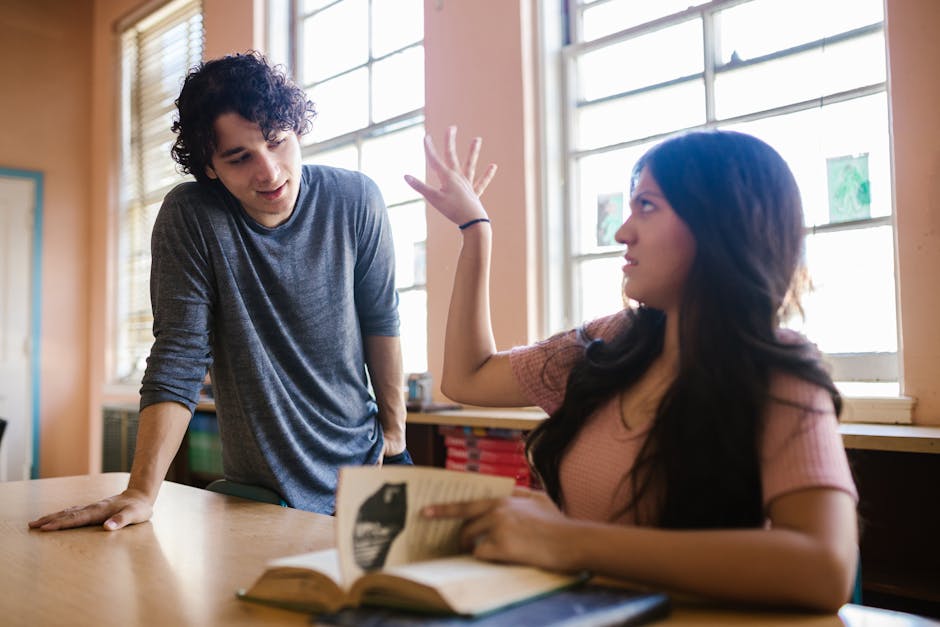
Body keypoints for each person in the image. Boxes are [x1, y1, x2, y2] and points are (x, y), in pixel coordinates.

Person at [404, 127, 858, 611]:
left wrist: (568, 541)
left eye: (646, 206)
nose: (623, 232)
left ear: (718, 222)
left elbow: (825, 568)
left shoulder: (777, 369)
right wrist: (476, 231)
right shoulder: (613, 341)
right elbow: (467, 377)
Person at [30, 52, 408, 530]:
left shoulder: (356, 199)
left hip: (370, 469)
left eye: (277, 143)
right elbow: (180, 353)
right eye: (240, 157)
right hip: (265, 494)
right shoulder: (191, 217)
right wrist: (142, 491)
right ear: (209, 167)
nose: (269, 172)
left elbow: (381, 319)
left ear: (296, 130)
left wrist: (394, 432)